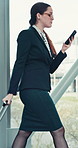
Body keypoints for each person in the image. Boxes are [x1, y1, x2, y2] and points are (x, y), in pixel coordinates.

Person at [2, 2, 74, 148]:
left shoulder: (44, 39)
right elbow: (19, 63)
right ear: (38, 16)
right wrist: (11, 91)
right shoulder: (27, 35)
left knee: (24, 132)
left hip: (38, 89)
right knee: (58, 130)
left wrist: (63, 51)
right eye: (49, 14)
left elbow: (50, 69)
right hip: (33, 90)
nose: (52, 18)